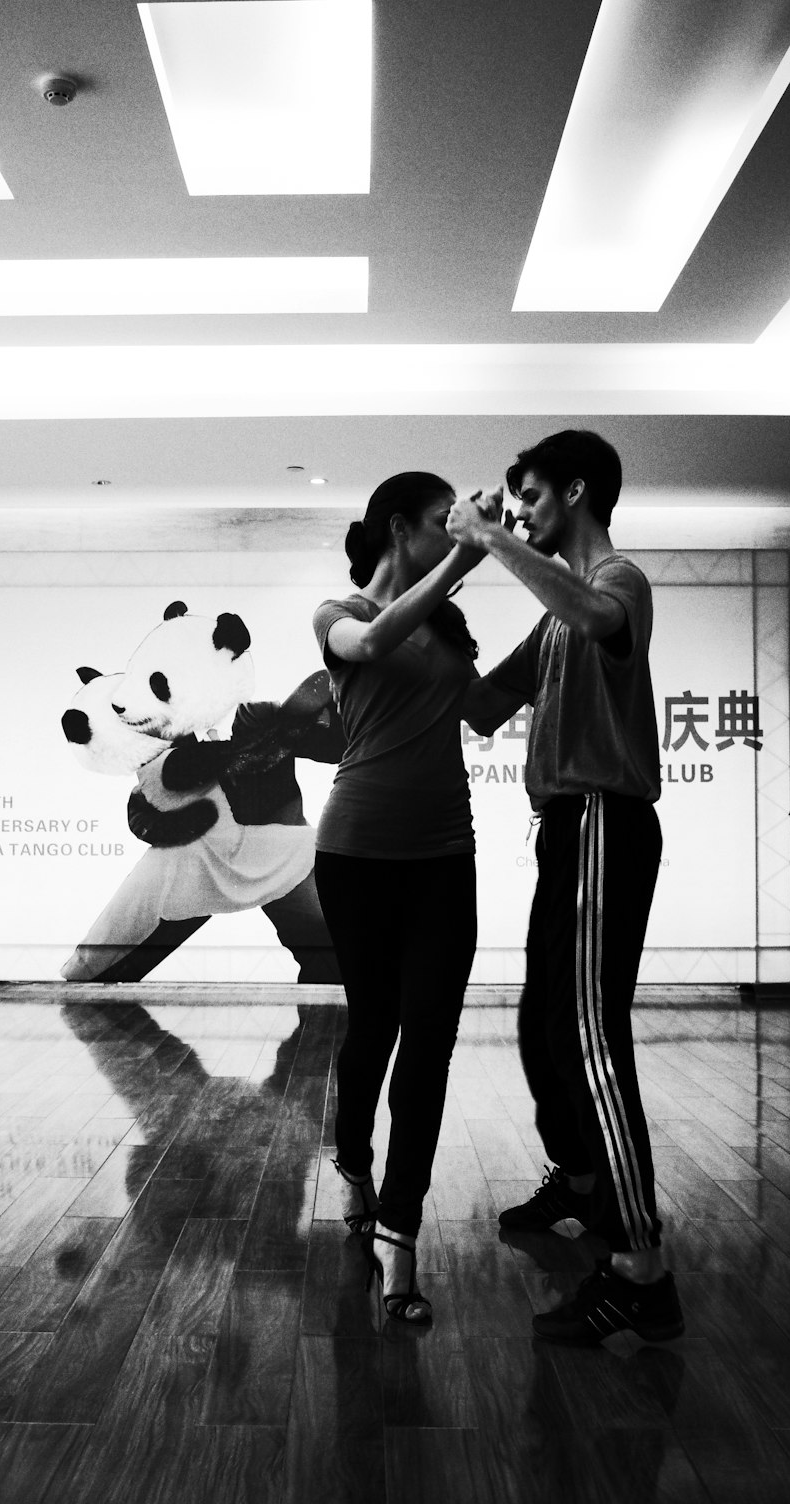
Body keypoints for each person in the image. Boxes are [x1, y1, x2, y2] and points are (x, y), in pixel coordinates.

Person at [446, 429, 684, 1346]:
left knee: (587, 1036)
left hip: (602, 824)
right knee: (544, 1025)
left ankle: (641, 1272)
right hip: (565, 834)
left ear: (577, 491)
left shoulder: (618, 583)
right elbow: (476, 704)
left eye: (534, 499)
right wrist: (444, 582)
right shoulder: (549, 618)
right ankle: (583, 1183)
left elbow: (591, 613)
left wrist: (494, 540)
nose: (525, 515)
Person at [313, 471, 491, 1325]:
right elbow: (375, 641)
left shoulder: (451, 626)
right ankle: (352, 1158)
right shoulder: (336, 612)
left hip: (443, 857)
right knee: (373, 1026)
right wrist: (465, 553)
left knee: (430, 1043)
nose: (453, 526)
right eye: (438, 519)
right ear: (400, 527)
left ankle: (400, 1232)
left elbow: (487, 709)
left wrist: (557, 612)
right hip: (355, 854)